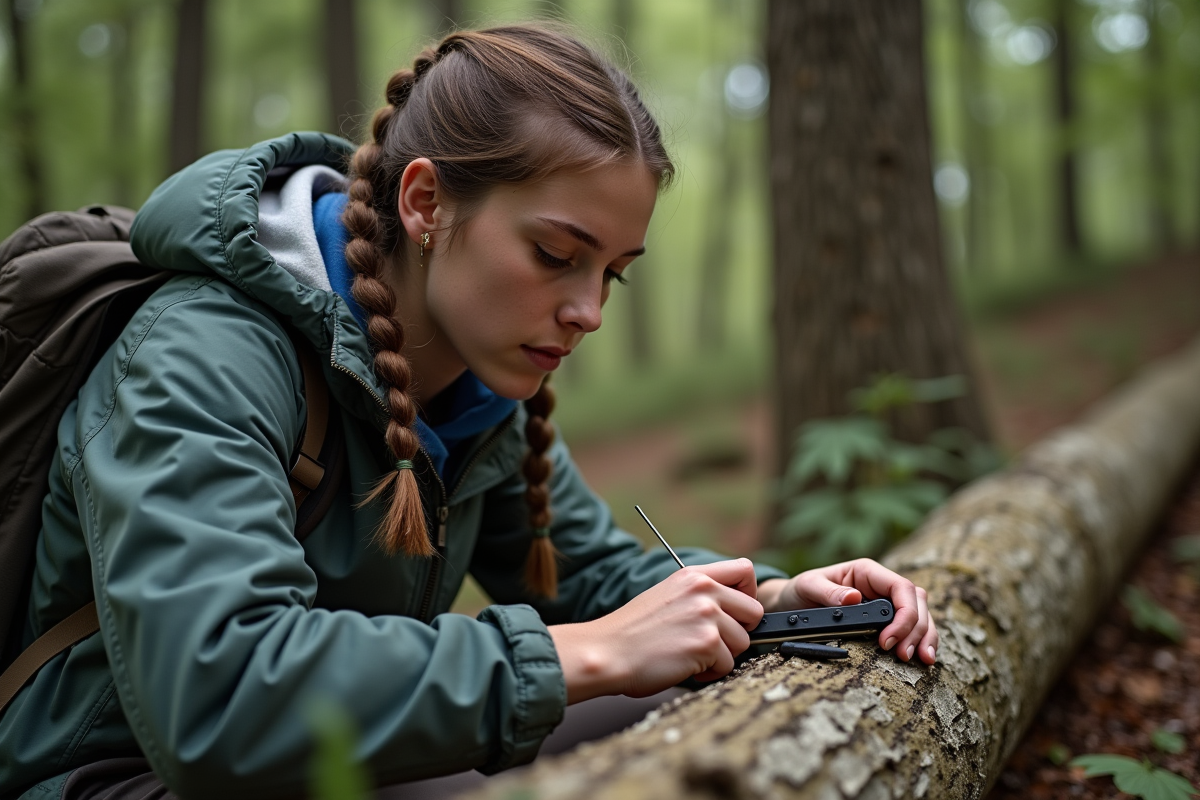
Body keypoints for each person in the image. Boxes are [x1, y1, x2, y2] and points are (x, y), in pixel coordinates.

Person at [0, 25, 938, 800]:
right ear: (425, 202)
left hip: (323, 767)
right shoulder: (206, 350)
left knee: (696, 727)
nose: (589, 311)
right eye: (555, 253)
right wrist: (584, 654)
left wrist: (773, 600)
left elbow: (599, 575)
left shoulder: (478, 389)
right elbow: (219, 699)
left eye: (611, 271)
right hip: (118, 777)